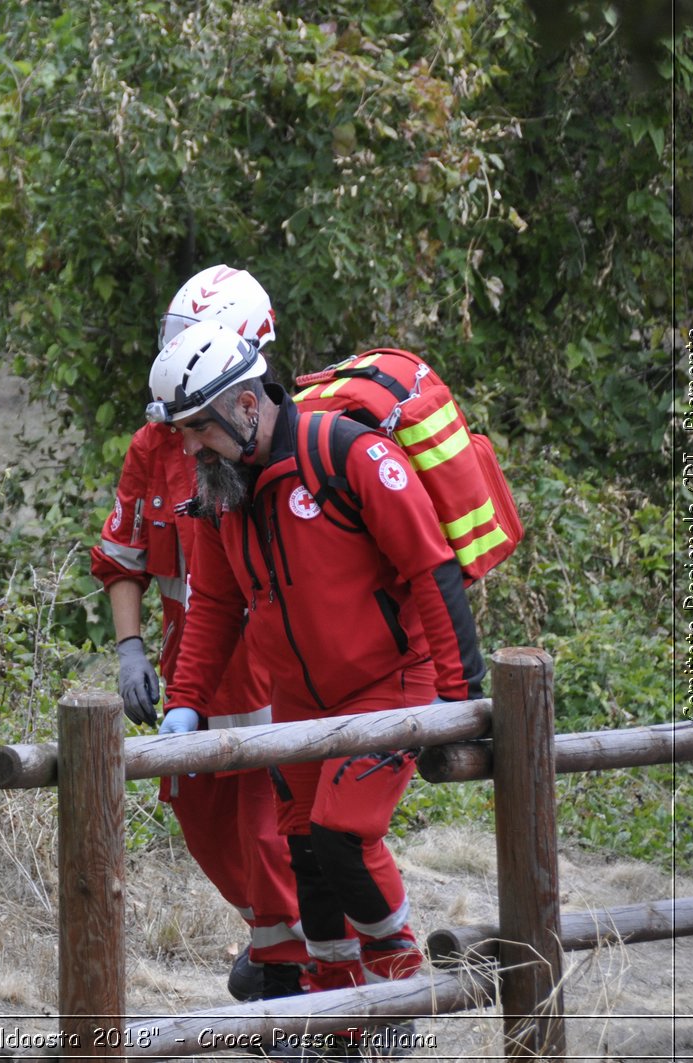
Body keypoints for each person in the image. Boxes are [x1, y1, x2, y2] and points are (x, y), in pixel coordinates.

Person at [154, 318, 486, 1061]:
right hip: (299, 701)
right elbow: (213, 606)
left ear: (245, 405)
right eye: (181, 433)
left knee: (341, 832)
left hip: (390, 681)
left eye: (197, 429)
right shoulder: (222, 489)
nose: (189, 449)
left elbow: (431, 566)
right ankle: (336, 1008)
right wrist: (185, 702)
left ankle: (399, 989)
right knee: (304, 845)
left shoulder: (348, 455)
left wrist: (458, 698)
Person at [92, 265, 307, 1002]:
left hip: (272, 673)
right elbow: (122, 554)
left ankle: (305, 974)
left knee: (272, 831)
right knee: (206, 823)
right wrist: (130, 651)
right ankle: (280, 948)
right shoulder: (156, 445)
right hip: (195, 665)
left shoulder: (279, 444)